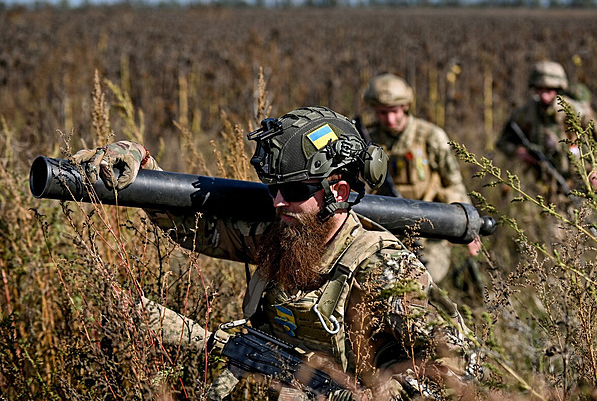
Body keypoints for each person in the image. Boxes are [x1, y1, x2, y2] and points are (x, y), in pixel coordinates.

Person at [71, 106, 481, 400]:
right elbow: (192, 228)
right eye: (272, 188)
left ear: (337, 192)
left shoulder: (384, 270)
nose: (278, 201)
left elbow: (461, 368)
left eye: (296, 190)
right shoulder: (281, 237)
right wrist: (138, 161)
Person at [362, 73, 481, 284]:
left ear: (406, 106)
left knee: (421, 284)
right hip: (384, 231)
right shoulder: (368, 140)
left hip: (430, 233)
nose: (390, 120)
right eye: (382, 113)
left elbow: (453, 183)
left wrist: (469, 228)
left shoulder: (430, 137)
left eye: (394, 112)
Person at [495, 60, 597, 206]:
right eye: (540, 89)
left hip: (587, 181)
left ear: (559, 88)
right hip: (552, 187)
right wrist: (518, 151)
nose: (544, 96)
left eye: (549, 90)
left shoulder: (578, 111)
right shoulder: (527, 113)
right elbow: (502, 142)